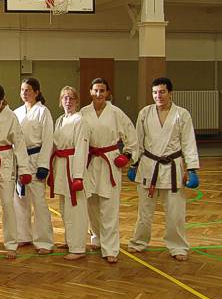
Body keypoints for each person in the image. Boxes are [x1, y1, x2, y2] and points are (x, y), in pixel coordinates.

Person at [127, 77, 200, 261]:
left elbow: (188, 142)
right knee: (144, 211)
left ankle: (178, 246)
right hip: (148, 166)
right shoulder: (145, 113)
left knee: (175, 212)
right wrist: (134, 163)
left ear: (170, 93)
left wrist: (191, 169)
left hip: (172, 168)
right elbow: (138, 140)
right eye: (154, 92)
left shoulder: (181, 114)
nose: (158, 96)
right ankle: (139, 242)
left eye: (162, 92)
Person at [80, 78, 137, 263]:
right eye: (96, 90)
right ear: (90, 92)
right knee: (91, 205)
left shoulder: (116, 113)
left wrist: (127, 155)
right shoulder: (83, 112)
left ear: (108, 93)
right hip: (89, 161)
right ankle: (96, 237)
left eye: (102, 91)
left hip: (109, 161)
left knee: (109, 205)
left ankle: (111, 248)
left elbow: (131, 136)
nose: (98, 94)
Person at [0, 84, 31, 259]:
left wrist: (24, 168)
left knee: (8, 204)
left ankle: (11, 243)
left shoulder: (11, 116)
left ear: (3, 100)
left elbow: (20, 142)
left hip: (5, 160)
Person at [13, 77, 55, 255]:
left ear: (37, 92)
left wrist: (44, 164)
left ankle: (44, 241)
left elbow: (48, 139)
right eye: (22, 90)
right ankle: (23, 235)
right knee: (20, 200)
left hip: (37, 158)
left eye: (28, 90)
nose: (25, 93)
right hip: (20, 160)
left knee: (38, 202)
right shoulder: (16, 112)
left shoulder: (43, 112)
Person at [49, 86, 91, 261]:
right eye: (65, 98)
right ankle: (70, 240)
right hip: (61, 165)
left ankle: (79, 247)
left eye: (71, 98)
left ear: (77, 101)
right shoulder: (60, 120)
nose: (68, 101)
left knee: (77, 209)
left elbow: (82, 149)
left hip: (74, 166)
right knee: (65, 208)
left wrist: (78, 176)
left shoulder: (80, 120)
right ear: (60, 101)